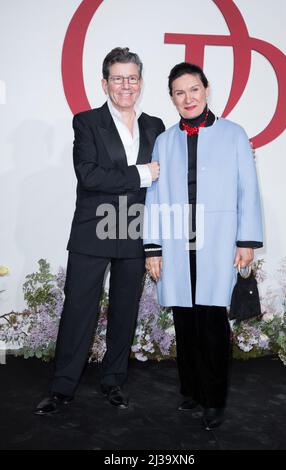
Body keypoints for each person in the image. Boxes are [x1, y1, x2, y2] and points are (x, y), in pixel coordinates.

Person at [34, 47, 164, 415]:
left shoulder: (155, 126)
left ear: (141, 82)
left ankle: (114, 381)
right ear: (105, 83)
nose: (126, 85)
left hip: (135, 227)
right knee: (79, 308)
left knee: (125, 309)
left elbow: (171, 172)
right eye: (119, 78)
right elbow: (88, 175)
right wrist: (142, 173)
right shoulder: (87, 121)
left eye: (133, 78)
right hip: (94, 227)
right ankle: (62, 388)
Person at [143, 62, 263, 430]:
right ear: (172, 98)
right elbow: (155, 197)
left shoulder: (233, 134)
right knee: (185, 320)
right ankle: (191, 391)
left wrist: (246, 240)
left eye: (193, 89)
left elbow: (248, 189)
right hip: (179, 243)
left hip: (220, 241)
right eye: (179, 92)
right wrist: (153, 247)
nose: (187, 98)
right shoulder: (165, 140)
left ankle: (214, 399)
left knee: (212, 322)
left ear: (206, 89)